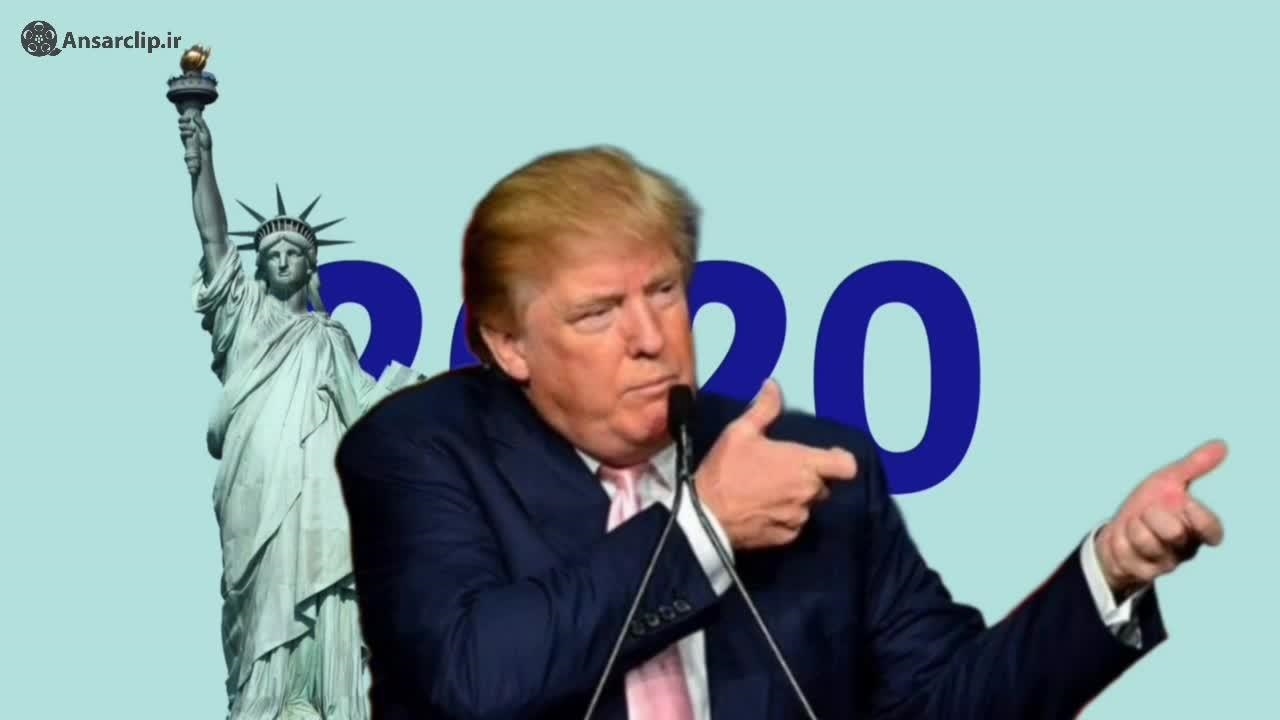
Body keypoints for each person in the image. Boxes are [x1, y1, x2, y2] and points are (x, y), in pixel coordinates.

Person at [334, 146, 1227, 719]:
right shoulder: (415, 451)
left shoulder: (808, 468)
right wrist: (706, 531)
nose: (650, 337)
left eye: (664, 291)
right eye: (598, 312)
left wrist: (1108, 572)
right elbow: (468, 682)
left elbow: (947, 705)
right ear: (507, 344)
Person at [181, 111, 419, 719]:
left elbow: (362, 407)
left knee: (328, 583)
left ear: (310, 268)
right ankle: (267, 699)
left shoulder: (328, 337)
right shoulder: (243, 321)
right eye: (272, 253)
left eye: (294, 253)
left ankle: (324, 698)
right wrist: (202, 162)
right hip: (257, 486)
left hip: (320, 491)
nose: (283, 259)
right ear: (260, 267)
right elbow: (214, 241)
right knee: (264, 593)